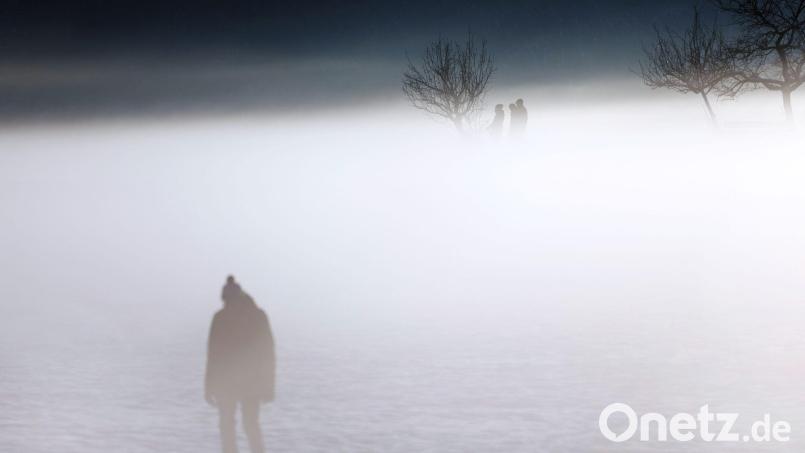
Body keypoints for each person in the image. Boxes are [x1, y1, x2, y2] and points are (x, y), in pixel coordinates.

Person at [206, 276, 276, 453]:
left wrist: (209, 385)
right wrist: (269, 385)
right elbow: (268, 353)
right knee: (248, 424)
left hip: (230, 381)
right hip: (248, 381)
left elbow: (213, 355)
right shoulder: (257, 316)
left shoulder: (221, 318)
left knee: (230, 425)